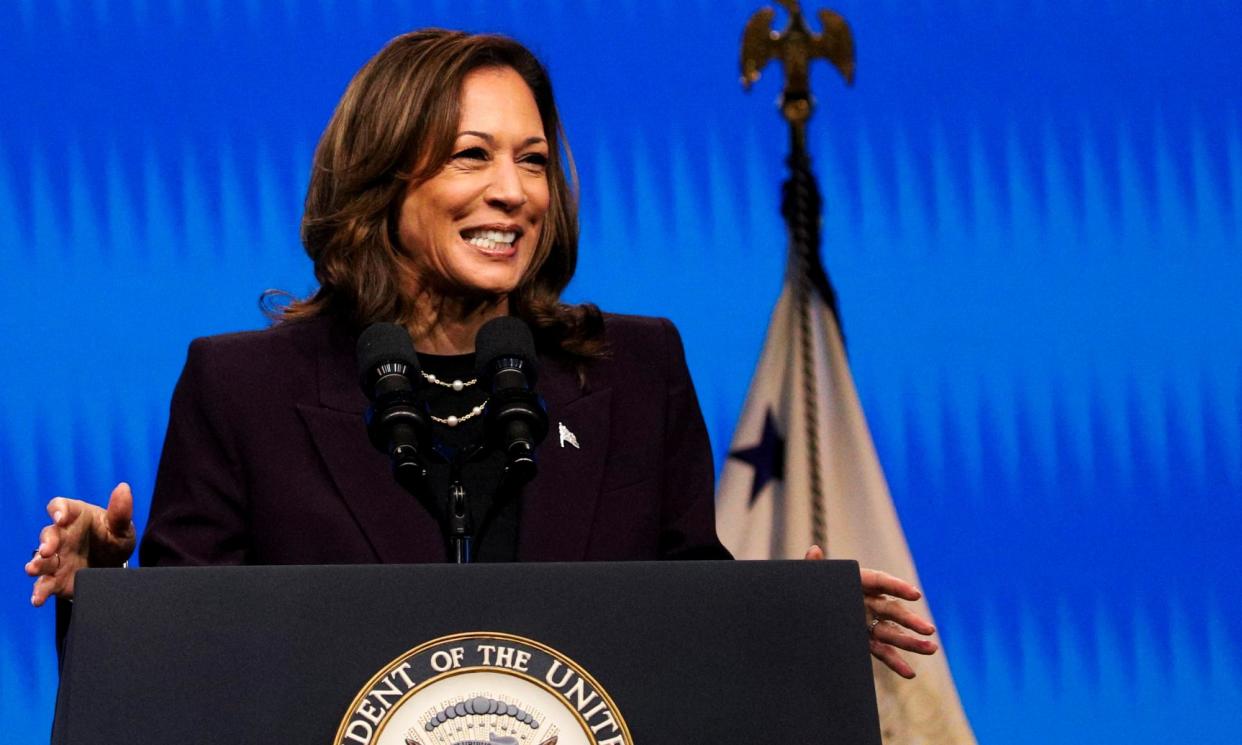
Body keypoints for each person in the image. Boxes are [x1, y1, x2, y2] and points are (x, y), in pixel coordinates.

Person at [24, 29, 937, 678]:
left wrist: (792, 622)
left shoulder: (632, 370)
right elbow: (192, 677)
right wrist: (105, 598)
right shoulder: (244, 390)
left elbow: (681, 621)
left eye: (534, 161)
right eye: (472, 156)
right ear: (384, 178)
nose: (513, 193)